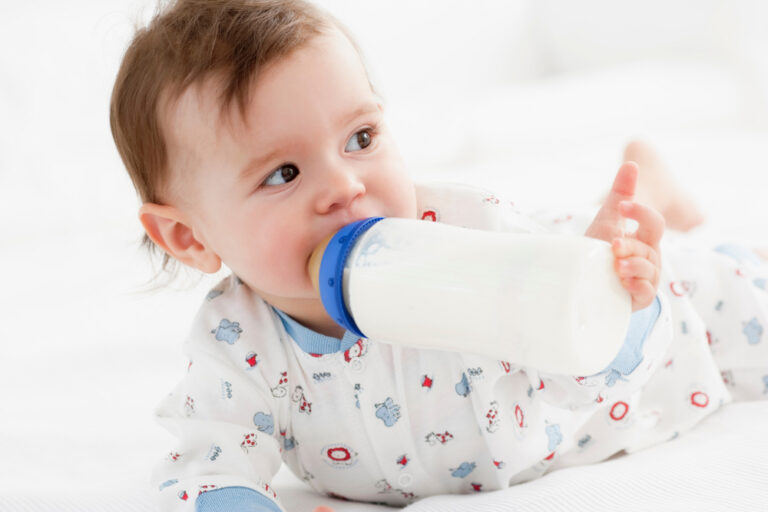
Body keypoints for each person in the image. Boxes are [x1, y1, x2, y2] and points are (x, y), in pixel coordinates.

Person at [109, 1, 768, 510]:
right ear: (190, 238)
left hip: (655, 337)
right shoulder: (235, 345)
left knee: (743, 307)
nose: (345, 186)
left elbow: (575, 373)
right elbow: (206, 464)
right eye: (283, 174)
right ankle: (641, 184)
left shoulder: (470, 236)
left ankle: (645, 195)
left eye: (360, 137)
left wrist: (610, 295)